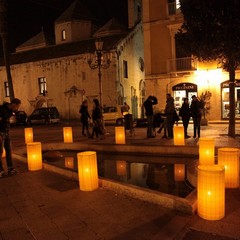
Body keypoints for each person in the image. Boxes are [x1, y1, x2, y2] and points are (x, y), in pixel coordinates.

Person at [0, 98, 21, 178]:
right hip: (0, 133)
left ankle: (10, 168)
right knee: (0, 152)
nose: (17, 108)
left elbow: (9, 120)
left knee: (9, 151)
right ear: (13, 104)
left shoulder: (10, 111)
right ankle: (1, 170)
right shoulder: (2, 109)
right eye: (17, 107)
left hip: (7, 132)